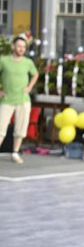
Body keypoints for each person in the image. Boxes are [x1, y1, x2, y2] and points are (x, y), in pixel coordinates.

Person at [0, 35, 39, 164]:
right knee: (1, 128)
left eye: (23, 47)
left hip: (23, 100)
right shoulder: (4, 61)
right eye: (19, 46)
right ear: (13, 47)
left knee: (20, 129)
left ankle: (15, 153)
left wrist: (29, 87)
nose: (21, 49)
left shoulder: (28, 62)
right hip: (7, 99)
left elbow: (35, 74)